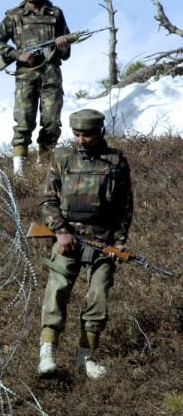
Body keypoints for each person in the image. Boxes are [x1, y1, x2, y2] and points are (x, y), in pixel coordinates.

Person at [37, 109, 133, 378]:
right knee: (57, 292)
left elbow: (125, 207)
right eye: (77, 134)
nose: (81, 140)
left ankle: (86, 357)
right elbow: (47, 200)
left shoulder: (116, 161)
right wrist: (60, 231)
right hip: (68, 239)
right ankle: (47, 354)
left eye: (86, 135)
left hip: (103, 243)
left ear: (99, 132)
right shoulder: (62, 160)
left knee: (98, 297)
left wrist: (119, 243)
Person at [0, 0, 72, 175]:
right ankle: (20, 172)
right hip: (26, 77)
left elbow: (66, 53)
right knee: (24, 122)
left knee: (52, 123)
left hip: (51, 75)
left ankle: (44, 167)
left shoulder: (55, 14)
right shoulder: (14, 16)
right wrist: (18, 55)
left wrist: (62, 45)